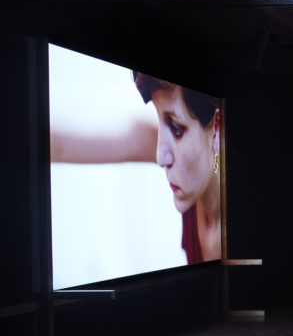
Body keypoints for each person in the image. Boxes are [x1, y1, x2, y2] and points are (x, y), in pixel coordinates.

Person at [50, 71, 222, 264]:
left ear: (216, 128)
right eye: (159, 119)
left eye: (176, 128)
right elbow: (55, 141)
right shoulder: (197, 171)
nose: (160, 156)